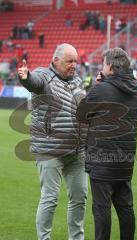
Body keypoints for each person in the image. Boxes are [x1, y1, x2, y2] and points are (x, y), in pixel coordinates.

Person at [17, 43, 88, 240]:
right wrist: (26, 77)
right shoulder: (44, 76)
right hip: (50, 151)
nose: (73, 65)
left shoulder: (78, 81)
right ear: (56, 61)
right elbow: (34, 82)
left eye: (75, 61)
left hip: (77, 152)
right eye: (69, 61)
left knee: (80, 198)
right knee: (50, 199)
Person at [76, 47, 137, 240]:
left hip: (102, 160)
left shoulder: (102, 89)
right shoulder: (135, 88)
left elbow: (81, 115)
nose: (102, 68)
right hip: (125, 160)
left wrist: (95, 87)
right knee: (126, 208)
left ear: (110, 67)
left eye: (104, 64)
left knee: (102, 209)